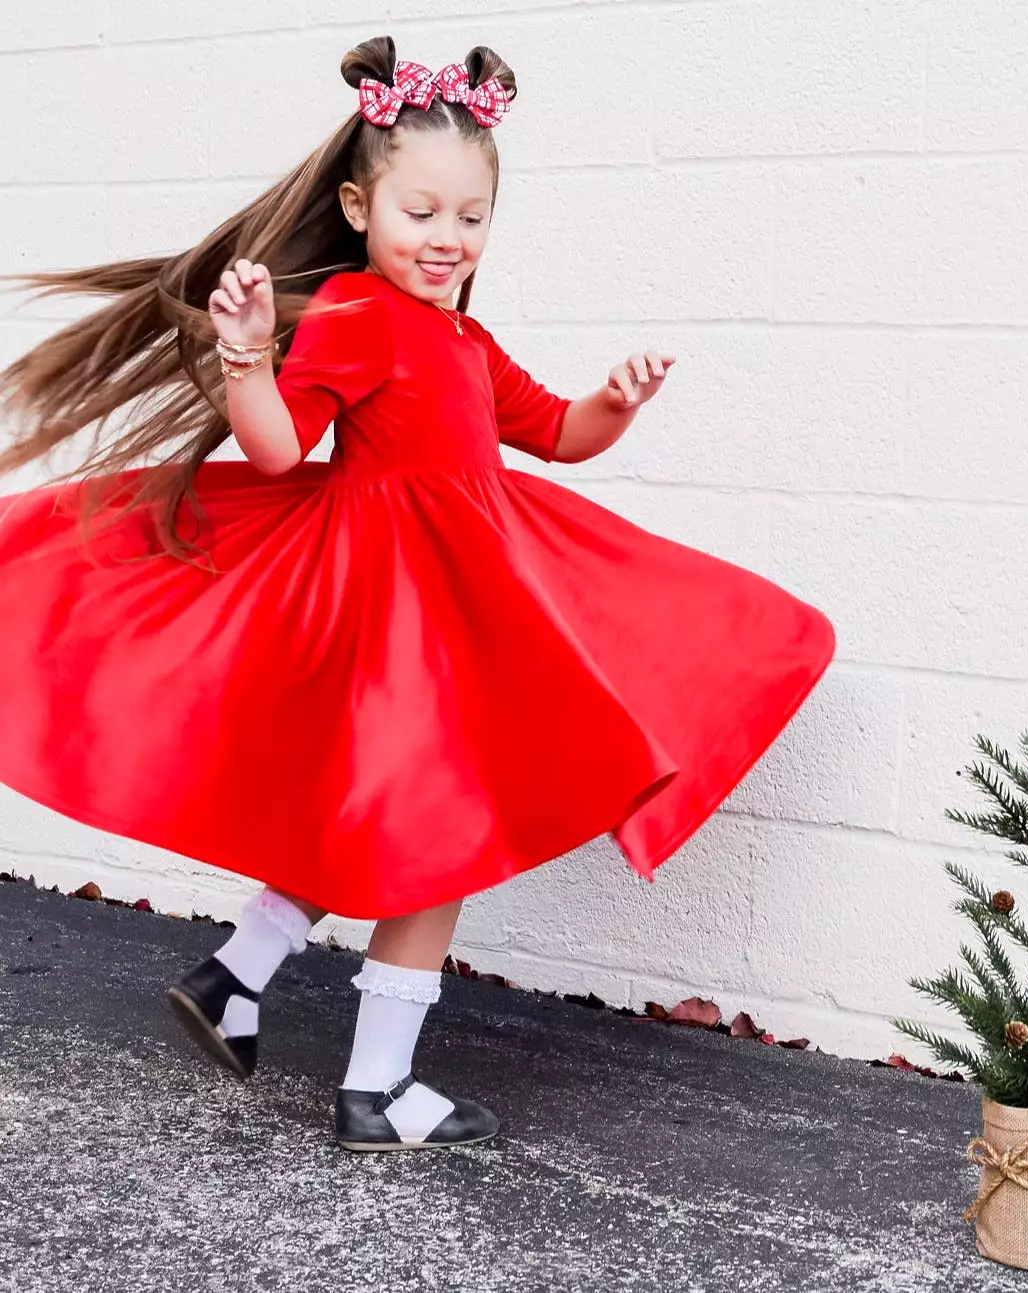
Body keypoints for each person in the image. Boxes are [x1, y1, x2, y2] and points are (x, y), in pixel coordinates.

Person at [0, 39, 835, 1152]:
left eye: (472, 218)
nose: (447, 239)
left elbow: (558, 436)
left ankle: (235, 977)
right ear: (358, 203)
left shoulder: (464, 338)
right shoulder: (353, 317)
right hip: (392, 607)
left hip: (458, 597)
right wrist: (248, 359)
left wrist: (615, 404)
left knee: (383, 812)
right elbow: (286, 451)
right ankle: (377, 1088)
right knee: (440, 833)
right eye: (422, 212)